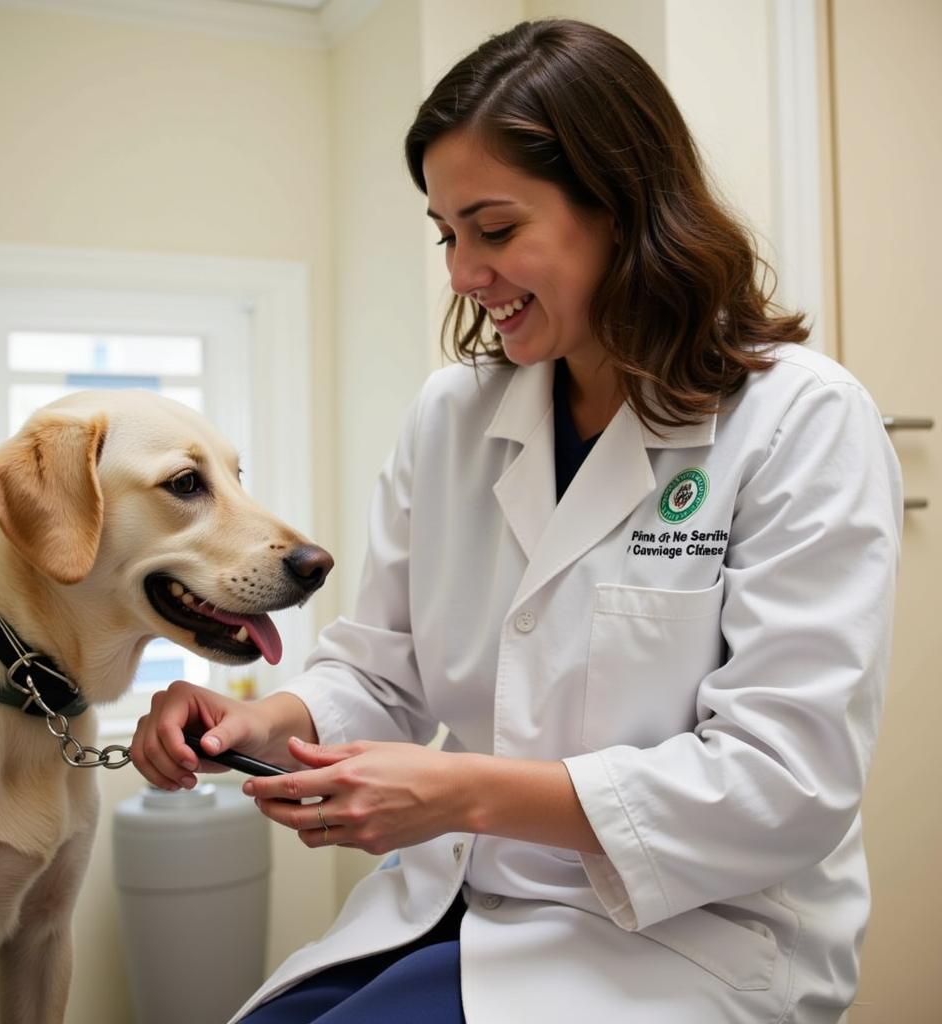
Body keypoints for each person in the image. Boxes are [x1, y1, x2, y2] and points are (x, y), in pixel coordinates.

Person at [131, 19, 902, 1024]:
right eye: (446, 234)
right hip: (463, 896)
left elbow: (782, 782)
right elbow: (380, 670)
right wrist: (261, 724)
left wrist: (458, 791)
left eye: (493, 230)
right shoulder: (453, 416)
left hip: (689, 933)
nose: (460, 273)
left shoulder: (800, 419)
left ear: (624, 209)